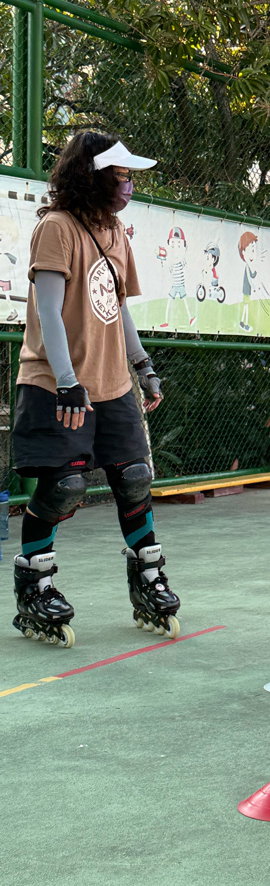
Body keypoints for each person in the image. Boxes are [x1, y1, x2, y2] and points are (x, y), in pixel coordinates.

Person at [11, 131, 180, 648]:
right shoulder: (57, 228)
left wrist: (142, 365)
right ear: (91, 176)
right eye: (120, 176)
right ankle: (35, 584)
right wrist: (66, 382)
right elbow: (47, 310)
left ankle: (147, 576)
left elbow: (119, 307)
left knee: (134, 477)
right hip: (56, 383)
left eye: (130, 177)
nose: (128, 186)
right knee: (64, 486)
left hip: (113, 384)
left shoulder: (115, 232)